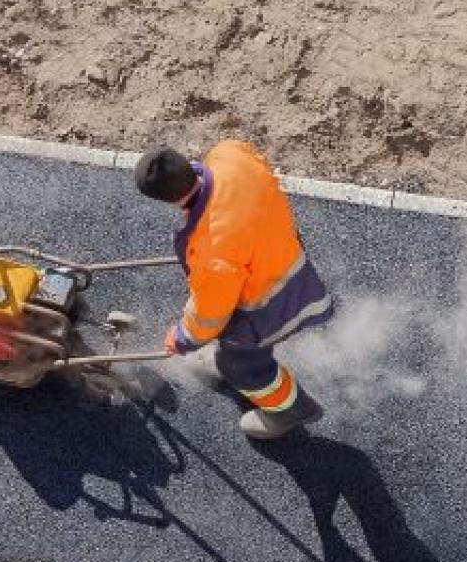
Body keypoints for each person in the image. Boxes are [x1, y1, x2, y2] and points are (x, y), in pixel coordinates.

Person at [135, 142, 337, 440]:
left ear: (165, 200)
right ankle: (227, 363)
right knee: (229, 341)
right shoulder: (228, 154)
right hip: (282, 250)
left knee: (242, 363)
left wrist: (182, 339)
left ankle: (289, 409)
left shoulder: (211, 250)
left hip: (269, 301)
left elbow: (210, 316)